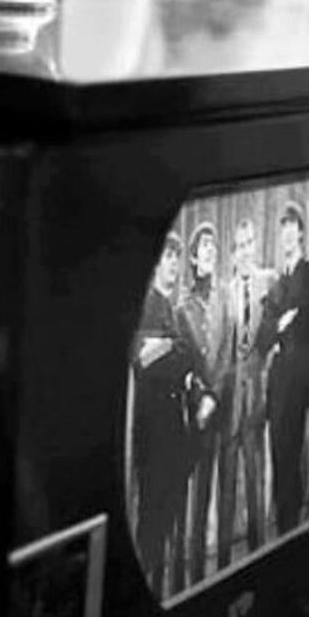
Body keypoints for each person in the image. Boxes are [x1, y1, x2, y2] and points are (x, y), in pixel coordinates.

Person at [130, 232, 192, 595]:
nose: (172, 263)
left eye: (175, 257)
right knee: (151, 523)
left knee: (163, 519)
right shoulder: (147, 303)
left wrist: (171, 348)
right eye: (167, 256)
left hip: (171, 431)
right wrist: (174, 348)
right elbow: (144, 361)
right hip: (152, 432)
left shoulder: (169, 307)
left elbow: (181, 357)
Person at [257, 201, 309, 536]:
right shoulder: (278, 283)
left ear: (300, 233)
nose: (285, 236)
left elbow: (307, 321)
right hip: (278, 382)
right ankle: (284, 527)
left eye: (291, 229)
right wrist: (280, 321)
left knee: (290, 456)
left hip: (297, 382)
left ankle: (290, 528)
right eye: (282, 231)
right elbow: (263, 336)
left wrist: (279, 323)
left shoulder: (308, 274)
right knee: (279, 456)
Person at [177, 221, 233, 586]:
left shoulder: (226, 299)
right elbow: (184, 363)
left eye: (215, 246)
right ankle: (192, 578)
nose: (211, 251)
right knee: (193, 504)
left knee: (220, 495)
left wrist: (215, 397)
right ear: (194, 258)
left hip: (222, 412)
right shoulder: (183, 308)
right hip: (193, 417)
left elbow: (227, 353)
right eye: (205, 247)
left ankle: (224, 574)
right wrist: (201, 399)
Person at [218, 218, 278, 558]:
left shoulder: (268, 283)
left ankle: (258, 553)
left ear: (255, 245)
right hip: (229, 404)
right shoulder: (224, 292)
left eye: (249, 243)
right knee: (227, 486)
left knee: (255, 480)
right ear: (233, 252)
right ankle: (224, 561)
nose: (244, 250)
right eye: (239, 246)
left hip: (256, 398)